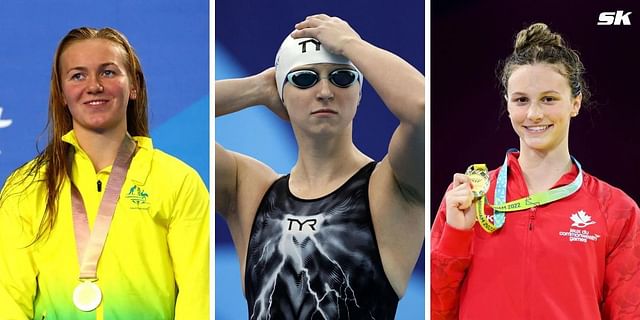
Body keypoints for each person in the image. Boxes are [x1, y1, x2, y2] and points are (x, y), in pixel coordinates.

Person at [216, 14, 424, 319]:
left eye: (341, 77)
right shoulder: (249, 190)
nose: (325, 91)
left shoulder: (391, 188)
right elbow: (158, 129)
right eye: (304, 78)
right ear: (282, 92)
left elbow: (421, 108)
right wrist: (257, 89)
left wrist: (351, 45)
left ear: (359, 93)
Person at [431, 22, 640, 319]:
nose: (534, 114)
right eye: (521, 100)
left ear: (575, 103)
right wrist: (455, 235)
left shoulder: (617, 210)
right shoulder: (469, 197)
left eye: (549, 99)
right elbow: (436, 309)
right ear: (508, 104)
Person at [0, 27, 209, 319]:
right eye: (77, 75)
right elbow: (8, 300)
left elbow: (198, 298)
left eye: (108, 72)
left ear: (133, 85)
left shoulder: (178, 182)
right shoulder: (25, 187)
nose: (94, 85)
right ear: (61, 93)